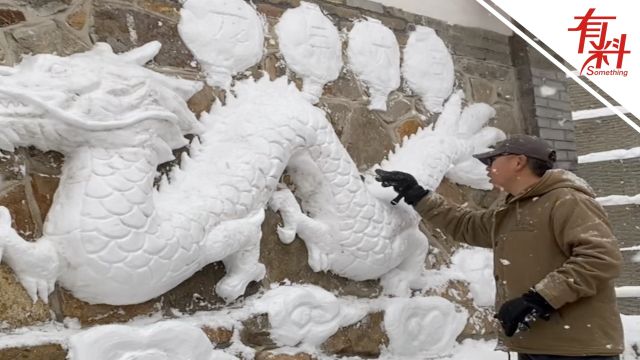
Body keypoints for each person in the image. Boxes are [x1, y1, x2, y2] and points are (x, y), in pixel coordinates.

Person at [375, 134, 624, 360]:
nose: (487, 167)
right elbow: (467, 225)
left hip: (577, 350)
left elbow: (600, 258)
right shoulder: (513, 208)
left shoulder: (567, 200)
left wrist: (539, 299)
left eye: (493, 159)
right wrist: (417, 194)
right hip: (536, 344)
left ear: (518, 162)